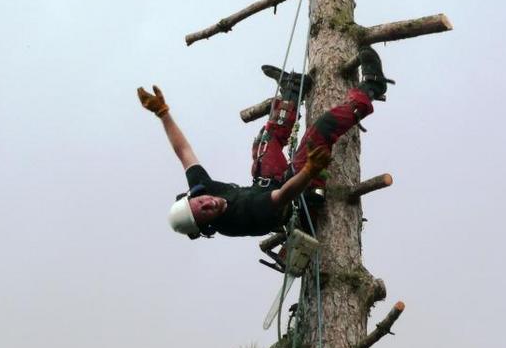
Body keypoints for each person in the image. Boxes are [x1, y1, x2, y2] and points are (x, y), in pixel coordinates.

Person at [137, 45, 392, 239]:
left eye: (199, 202)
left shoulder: (203, 190)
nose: (207, 203)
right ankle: (371, 89)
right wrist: (309, 170)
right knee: (320, 130)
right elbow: (283, 194)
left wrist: (163, 113)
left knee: (264, 144)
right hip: (295, 196)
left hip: (270, 185)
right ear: (206, 225)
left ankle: (293, 91)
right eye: (204, 211)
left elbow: (183, 152)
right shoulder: (240, 217)